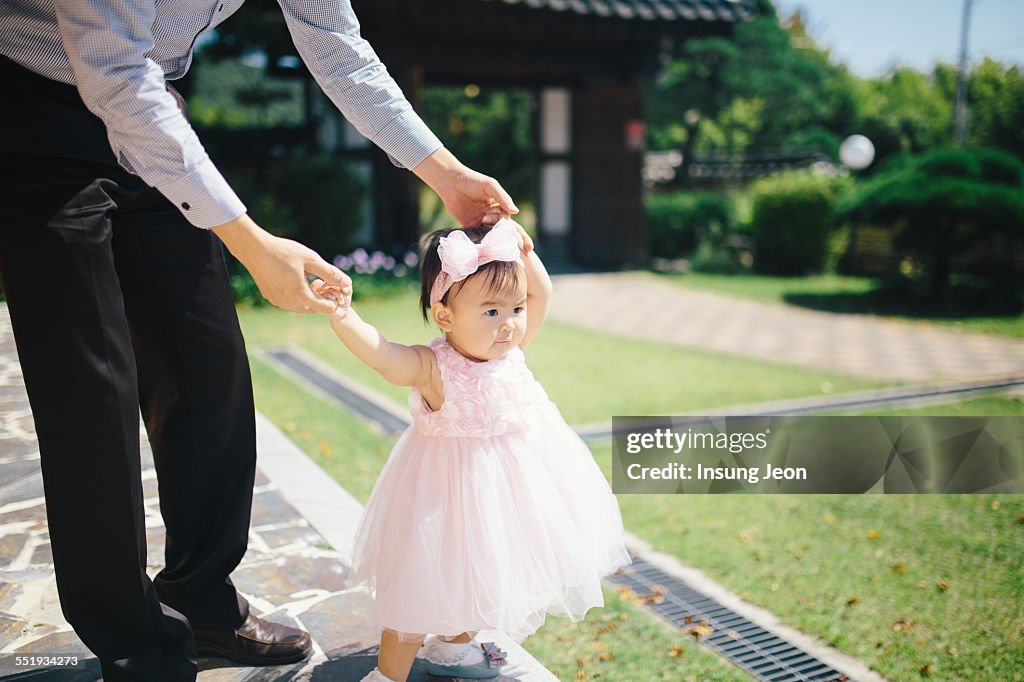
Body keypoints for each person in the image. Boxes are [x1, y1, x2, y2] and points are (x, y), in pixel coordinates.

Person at [0, 1, 518, 680]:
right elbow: (113, 73)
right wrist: (253, 244)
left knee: (207, 367)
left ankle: (201, 598)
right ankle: (135, 647)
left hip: (154, 109)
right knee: (89, 397)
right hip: (32, 112)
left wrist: (447, 175)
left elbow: (339, 49)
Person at [310, 218, 630, 682]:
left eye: (515, 309)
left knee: (478, 578)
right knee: (421, 588)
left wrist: (525, 250)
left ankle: (453, 647)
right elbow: (382, 355)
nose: (509, 324)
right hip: (443, 501)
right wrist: (343, 316)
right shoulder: (432, 367)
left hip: (507, 496)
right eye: (491, 312)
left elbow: (542, 294)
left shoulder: (511, 351)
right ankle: (388, 675)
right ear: (445, 317)